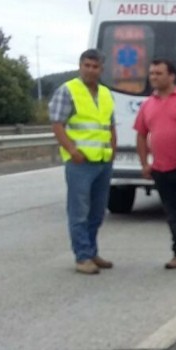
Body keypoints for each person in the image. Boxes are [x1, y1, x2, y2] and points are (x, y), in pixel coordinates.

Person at [49, 49, 117, 275]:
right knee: (79, 211)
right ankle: (82, 256)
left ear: (101, 69)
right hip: (80, 162)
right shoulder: (68, 90)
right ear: (80, 66)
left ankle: (92, 251)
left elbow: (110, 125)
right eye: (86, 65)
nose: (90, 70)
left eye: (95, 66)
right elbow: (57, 124)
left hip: (103, 161)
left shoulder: (107, 93)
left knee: (97, 212)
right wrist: (71, 149)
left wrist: (113, 150)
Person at [134, 59, 176, 272]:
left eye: (159, 73)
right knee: (171, 214)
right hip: (160, 169)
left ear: (171, 76)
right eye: (151, 73)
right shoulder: (147, 104)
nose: (154, 77)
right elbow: (142, 135)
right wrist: (145, 163)